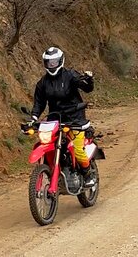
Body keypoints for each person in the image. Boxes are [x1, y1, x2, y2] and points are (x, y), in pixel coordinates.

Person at [30, 46, 96, 187]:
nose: (51, 65)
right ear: (45, 63)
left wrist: (89, 80)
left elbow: (86, 88)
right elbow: (39, 103)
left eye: (54, 62)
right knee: (47, 143)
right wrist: (34, 118)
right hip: (55, 119)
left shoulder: (70, 75)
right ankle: (54, 170)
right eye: (49, 62)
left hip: (75, 118)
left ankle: (87, 173)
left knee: (77, 150)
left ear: (61, 61)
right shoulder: (43, 83)